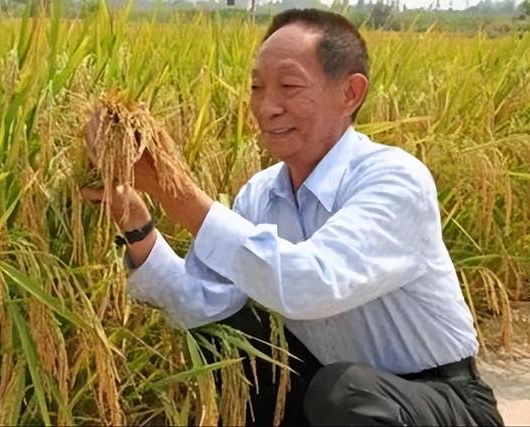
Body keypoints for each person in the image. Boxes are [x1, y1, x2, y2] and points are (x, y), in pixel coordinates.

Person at [82, 8, 504, 426]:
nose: (267, 107)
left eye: (289, 86)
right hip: (334, 395)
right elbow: (202, 301)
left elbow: (312, 284)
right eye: (257, 87)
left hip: (441, 401)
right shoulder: (260, 195)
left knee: (343, 392)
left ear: (350, 93)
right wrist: (134, 220)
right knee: (231, 339)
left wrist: (172, 188)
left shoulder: (394, 179)